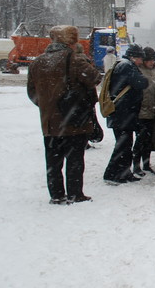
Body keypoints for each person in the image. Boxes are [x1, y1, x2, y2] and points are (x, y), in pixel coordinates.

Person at [26, 25, 101, 204]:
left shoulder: (37, 62)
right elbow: (95, 77)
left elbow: (31, 92)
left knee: (53, 161)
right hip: (73, 120)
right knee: (75, 159)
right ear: (71, 40)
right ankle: (75, 193)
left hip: (49, 122)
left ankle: (56, 194)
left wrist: (47, 105)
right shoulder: (74, 59)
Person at [103, 43, 149, 184]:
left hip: (122, 114)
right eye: (140, 58)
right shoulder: (127, 66)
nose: (141, 62)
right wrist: (143, 79)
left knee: (124, 145)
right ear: (134, 57)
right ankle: (112, 174)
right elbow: (141, 83)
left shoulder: (122, 65)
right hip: (123, 114)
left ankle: (123, 173)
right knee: (123, 145)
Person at [133, 47, 155, 176]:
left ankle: (146, 164)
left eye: (153, 60)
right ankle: (136, 165)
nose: (151, 62)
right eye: (149, 60)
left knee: (148, 141)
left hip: (152, 112)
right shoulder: (138, 71)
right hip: (141, 113)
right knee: (140, 140)